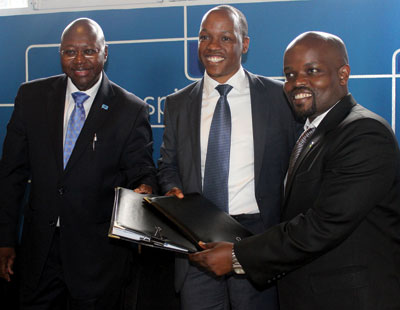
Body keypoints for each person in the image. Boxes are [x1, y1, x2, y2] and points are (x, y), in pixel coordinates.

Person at [189, 31, 400, 310]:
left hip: (349, 297)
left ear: (343, 74)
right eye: (289, 75)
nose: (297, 82)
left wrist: (238, 256)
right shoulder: (311, 132)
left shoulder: (364, 133)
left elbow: (323, 224)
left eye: (312, 71)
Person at [0, 18, 157, 309]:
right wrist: (5, 239)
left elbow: (143, 172)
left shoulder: (130, 109)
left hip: (98, 261)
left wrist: (145, 189)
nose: (79, 60)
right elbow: (11, 175)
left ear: (105, 53)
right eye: (70, 52)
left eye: (89, 51)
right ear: (60, 53)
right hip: (39, 254)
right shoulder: (31, 97)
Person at [157, 5, 299, 310]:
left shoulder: (279, 98)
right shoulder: (177, 104)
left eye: (225, 38)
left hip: (256, 239)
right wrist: (171, 189)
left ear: (244, 44)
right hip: (197, 241)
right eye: (205, 37)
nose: (212, 47)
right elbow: (168, 165)